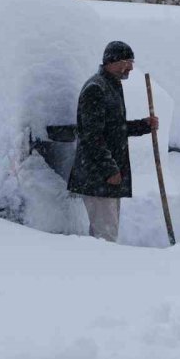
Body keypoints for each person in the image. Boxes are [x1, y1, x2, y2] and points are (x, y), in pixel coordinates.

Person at [67, 41, 159, 242]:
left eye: (132, 62)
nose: (131, 67)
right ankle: (102, 270)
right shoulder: (96, 89)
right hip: (98, 176)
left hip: (104, 177)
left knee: (105, 235)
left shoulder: (111, 86)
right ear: (112, 61)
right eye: (127, 61)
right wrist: (109, 169)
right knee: (105, 237)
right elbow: (92, 136)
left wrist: (143, 125)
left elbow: (113, 129)